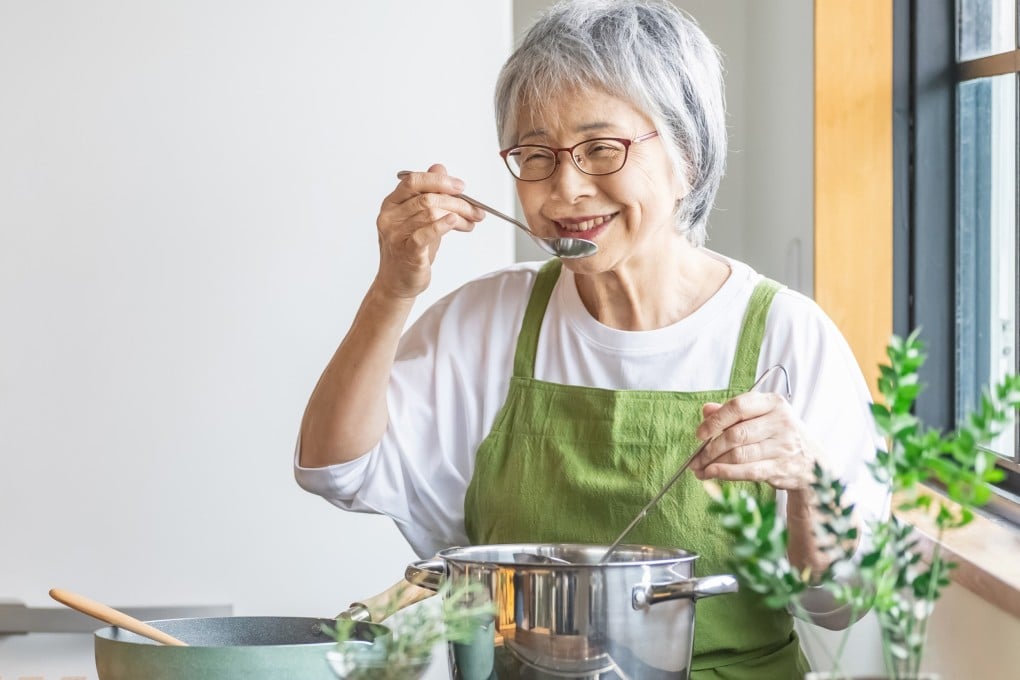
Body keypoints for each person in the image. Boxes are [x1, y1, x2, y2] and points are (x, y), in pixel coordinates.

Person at [295, 0, 887, 677]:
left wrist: (811, 483)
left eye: (602, 149)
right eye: (537, 155)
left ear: (688, 155)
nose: (566, 187)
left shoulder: (788, 336)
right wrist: (393, 288)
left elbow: (842, 605)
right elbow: (331, 466)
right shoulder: (490, 320)